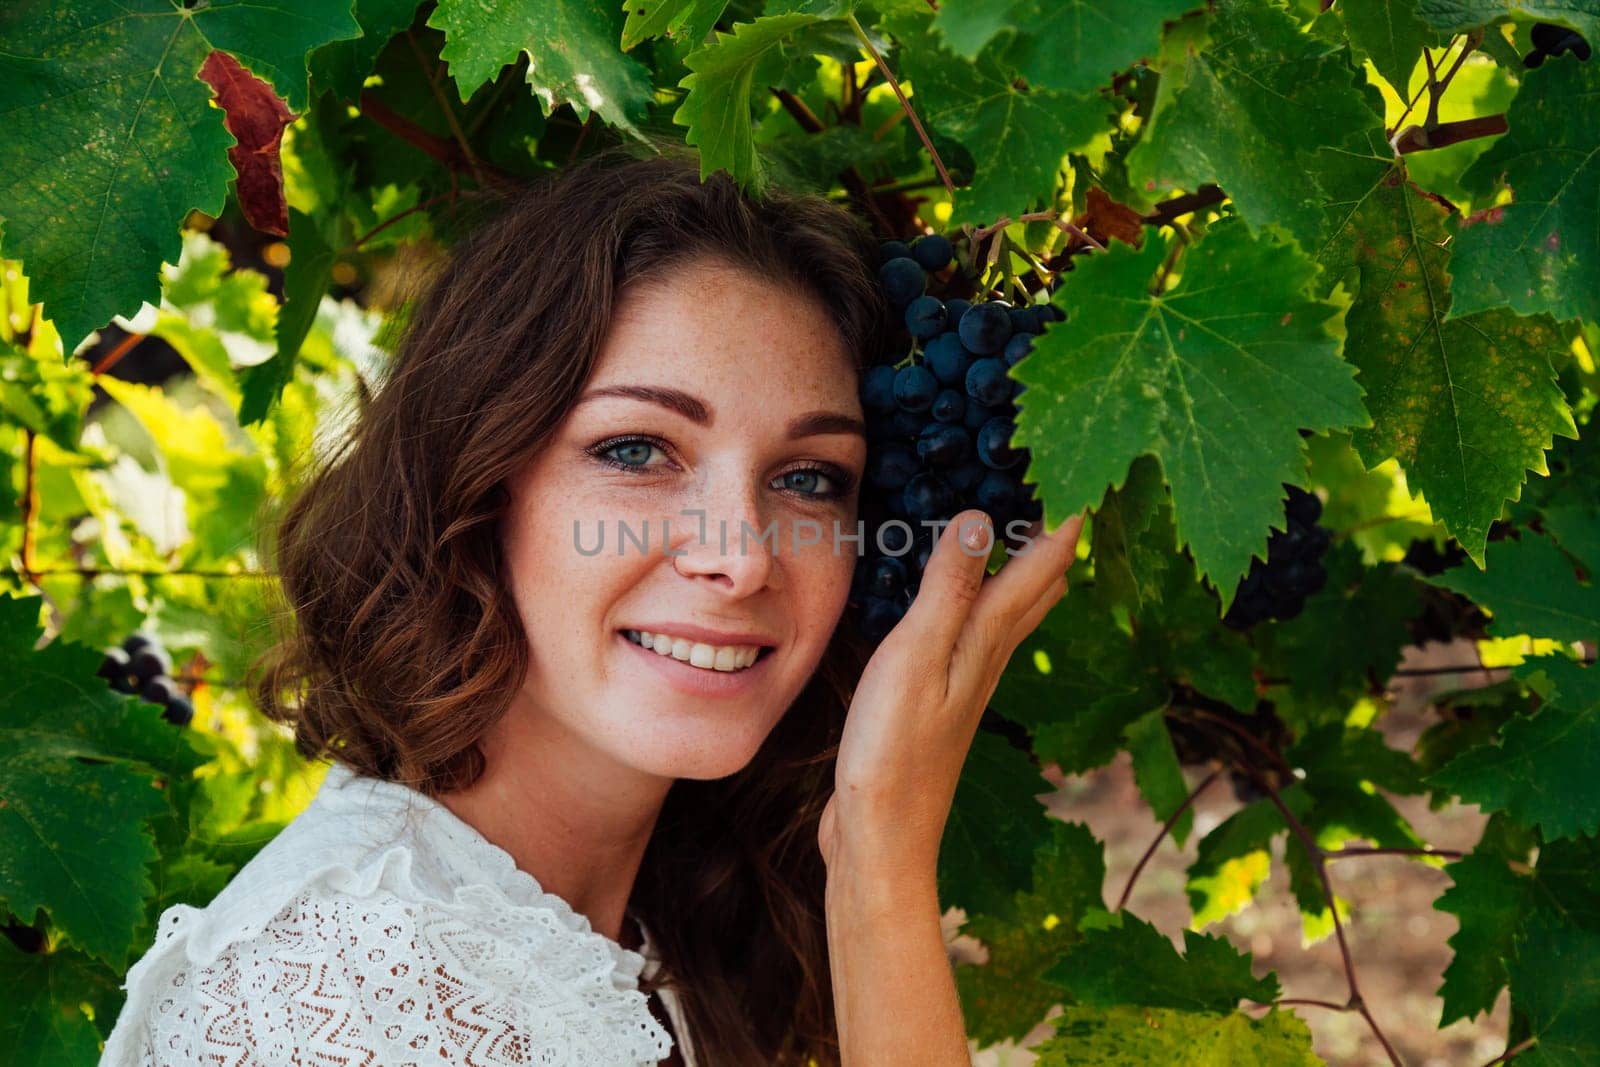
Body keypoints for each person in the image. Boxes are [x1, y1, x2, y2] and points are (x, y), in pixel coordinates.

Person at [99, 142, 1084, 1066]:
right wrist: (880, 868)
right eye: (636, 450)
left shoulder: (675, 931)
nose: (739, 557)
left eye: (810, 477)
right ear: (478, 482)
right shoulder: (327, 999)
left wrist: (875, 852)